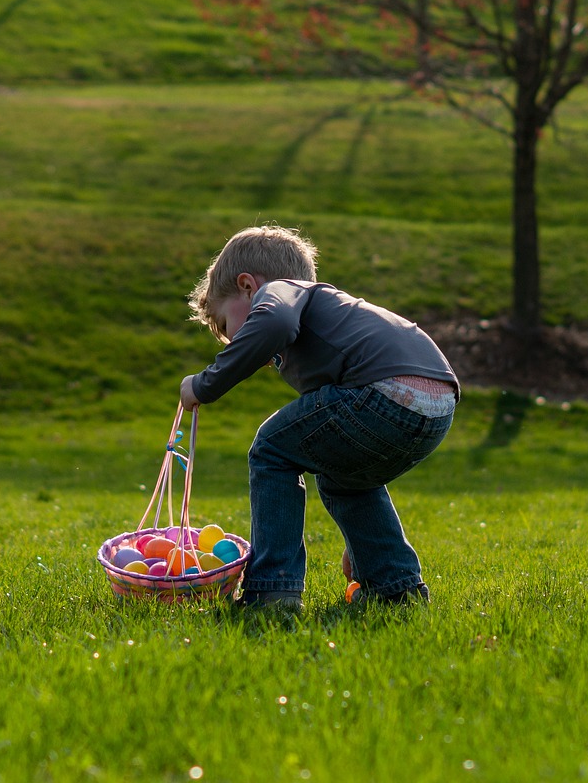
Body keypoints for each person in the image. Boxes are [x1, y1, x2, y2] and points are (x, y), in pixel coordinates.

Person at [181, 225, 459, 611]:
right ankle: (396, 590)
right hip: (437, 403)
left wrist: (203, 385)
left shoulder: (280, 292)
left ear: (248, 286)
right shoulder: (323, 319)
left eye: (229, 329)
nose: (235, 344)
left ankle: (272, 592)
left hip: (385, 388)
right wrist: (360, 540)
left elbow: (272, 323)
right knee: (344, 479)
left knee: (271, 449)